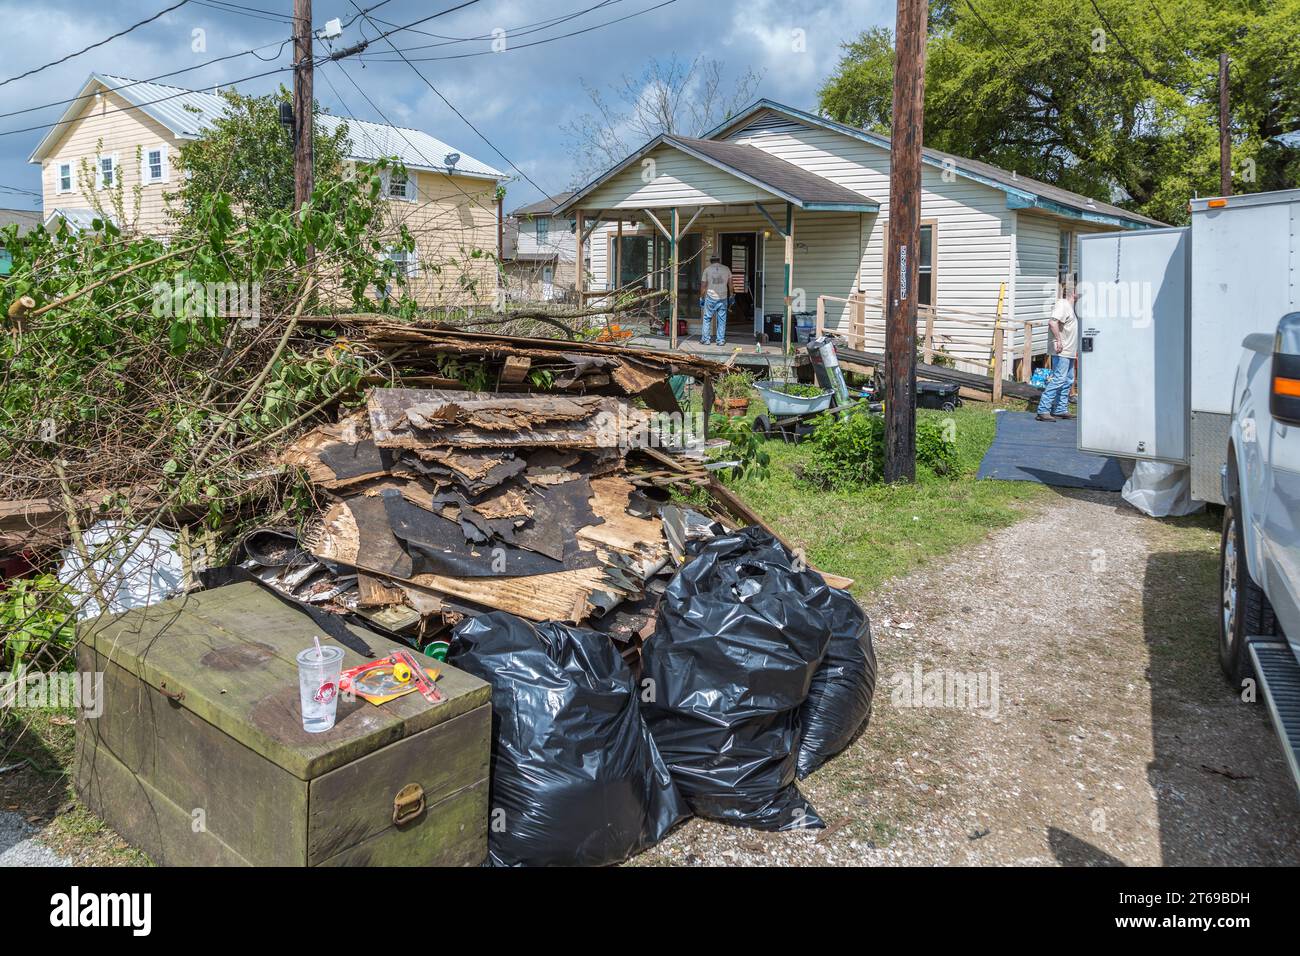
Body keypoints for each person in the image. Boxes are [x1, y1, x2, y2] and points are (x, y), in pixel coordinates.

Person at [1036, 278, 1079, 421]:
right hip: (1062, 350)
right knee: (1058, 379)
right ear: (1074, 292)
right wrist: (1058, 340)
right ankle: (1043, 410)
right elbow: (1052, 322)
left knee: (1068, 380)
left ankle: (1060, 409)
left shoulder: (1071, 308)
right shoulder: (1062, 304)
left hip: (1070, 351)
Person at [699, 254, 733, 346]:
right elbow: (730, 285)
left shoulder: (707, 270)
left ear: (711, 261)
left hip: (710, 297)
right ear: (719, 260)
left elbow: (703, 286)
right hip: (723, 297)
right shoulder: (726, 269)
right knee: (722, 319)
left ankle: (706, 340)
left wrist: (701, 297)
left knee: (707, 318)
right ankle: (720, 340)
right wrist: (731, 296)